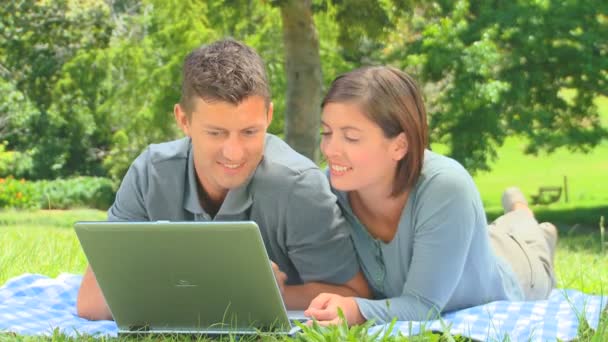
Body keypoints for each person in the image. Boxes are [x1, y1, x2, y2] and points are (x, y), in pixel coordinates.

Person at [76, 38, 370, 321]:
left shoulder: (299, 186)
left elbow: (354, 294)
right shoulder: (150, 173)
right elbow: (91, 303)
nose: (234, 152)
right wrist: (225, 287)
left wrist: (267, 293)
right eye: (216, 133)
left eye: (249, 132)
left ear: (269, 115)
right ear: (183, 120)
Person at [304, 66, 558, 326]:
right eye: (326, 132)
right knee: (493, 235)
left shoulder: (446, 187)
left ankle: (525, 216)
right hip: (466, 243)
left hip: (519, 268)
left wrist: (357, 310)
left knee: (529, 238)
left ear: (399, 145)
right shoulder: (330, 188)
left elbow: (422, 306)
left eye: (351, 137)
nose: (330, 149)